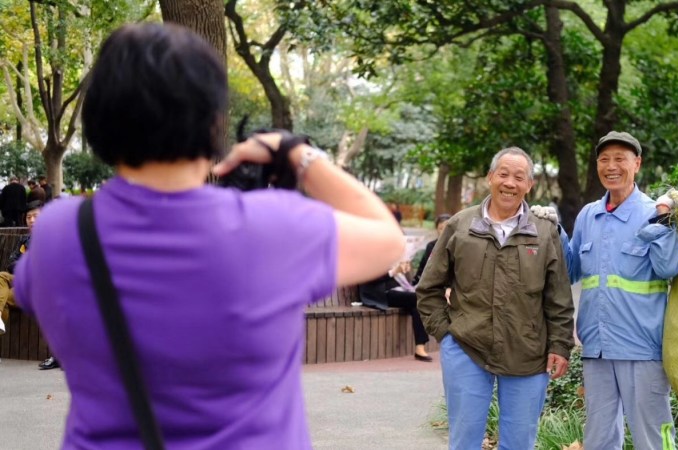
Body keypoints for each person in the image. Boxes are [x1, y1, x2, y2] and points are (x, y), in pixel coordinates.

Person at [13, 23, 404, 448]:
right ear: (214, 121)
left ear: (98, 119)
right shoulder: (274, 229)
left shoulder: (59, 232)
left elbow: (29, 292)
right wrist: (297, 152)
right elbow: (389, 241)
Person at [534, 131, 678, 450]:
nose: (611, 166)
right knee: (599, 439)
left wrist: (663, 219)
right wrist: (556, 230)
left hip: (643, 348)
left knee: (653, 437)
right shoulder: (590, 214)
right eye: (604, 159)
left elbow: (670, 267)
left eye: (620, 158)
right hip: (597, 348)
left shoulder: (653, 211)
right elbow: (572, 271)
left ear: (637, 164)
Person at [417, 147, 575, 450]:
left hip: (529, 353)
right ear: (490, 178)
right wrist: (446, 335)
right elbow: (428, 288)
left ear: (529, 185)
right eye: (503, 174)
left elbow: (558, 297)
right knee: (464, 442)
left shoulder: (544, 232)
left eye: (519, 177)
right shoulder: (460, 226)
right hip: (466, 346)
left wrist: (559, 345)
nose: (510, 183)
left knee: (519, 443)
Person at [358, 259, 432, 361]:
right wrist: (392, 272)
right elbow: (368, 278)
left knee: (417, 304)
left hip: (397, 291)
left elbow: (400, 279)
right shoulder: (370, 255)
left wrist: (402, 268)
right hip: (381, 293)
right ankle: (420, 347)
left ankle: (420, 347)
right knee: (417, 298)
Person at [0, 200, 42, 339]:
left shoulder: (53, 239)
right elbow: (11, 262)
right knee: (1, 277)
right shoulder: (25, 239)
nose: (31, 220)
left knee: (2, 296)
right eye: (28, 217)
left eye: (35, 216)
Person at [412, 213, 451, 285]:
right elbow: (428, 267)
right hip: (430, 282)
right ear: (437, 229)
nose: (443, 231)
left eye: (446, 228)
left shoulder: (454, 246)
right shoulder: (431, 246)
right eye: (441, 228)